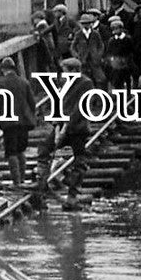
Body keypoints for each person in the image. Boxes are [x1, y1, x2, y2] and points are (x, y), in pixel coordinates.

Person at [33, 57, 94, 209]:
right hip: (62, 126)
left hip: (77, 128)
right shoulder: (66, 83)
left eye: (65, 71)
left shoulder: (86, 83)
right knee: (44, 149)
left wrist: (65, 127)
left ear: (74, 71)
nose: (63, 74)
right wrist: (57, 126)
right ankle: (41, 188)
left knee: (79, 160)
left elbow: (80, 108)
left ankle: (72, 195)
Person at [0, 56, 36, 188]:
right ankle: (22, 179)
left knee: (11, 152)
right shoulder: (24, 82)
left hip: (9, 122)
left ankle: (16, 182)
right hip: (24, 121)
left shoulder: (0, 83)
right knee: (21, 150)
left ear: (3, 69)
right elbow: (32, 103)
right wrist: (30, 116)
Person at [70, 12, 105, 86]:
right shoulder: (78, 34)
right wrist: (76, 55)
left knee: (99, 79)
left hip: (94, 59)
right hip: (83, 60)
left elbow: (101, 45)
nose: (86, 25)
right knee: (84, 79)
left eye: (88, 23)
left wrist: (99, 55)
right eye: (84, 23)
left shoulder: (95, 34)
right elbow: (73, 46)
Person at [103, 17, 135, 90]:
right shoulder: (112, 40)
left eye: (116, 28)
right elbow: (109, 51)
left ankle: (128, 91)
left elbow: (131, 50)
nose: (115, 31)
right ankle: (119, 92)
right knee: (117, 79)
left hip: (126, 61)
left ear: (121, 29)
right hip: (116, 63)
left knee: (127, 78)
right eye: (113, 29)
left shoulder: (127, 39)